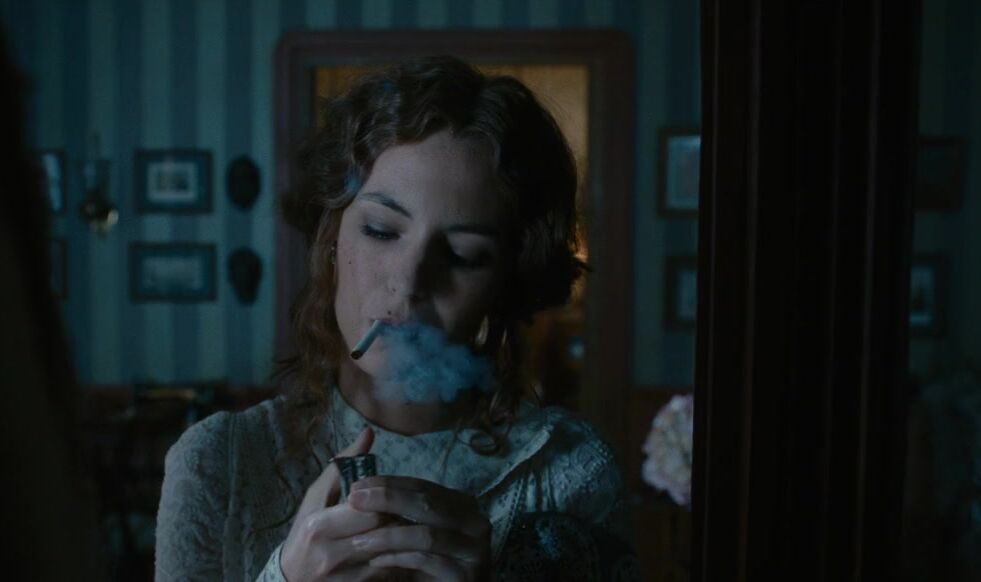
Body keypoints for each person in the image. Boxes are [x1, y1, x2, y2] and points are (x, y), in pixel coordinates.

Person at [156, 55, 637, 581]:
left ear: (504, 286)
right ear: (331, 242)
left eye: (462, 256)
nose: (408, 284)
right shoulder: (219, 462)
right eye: (382, 231)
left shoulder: (571, 471)